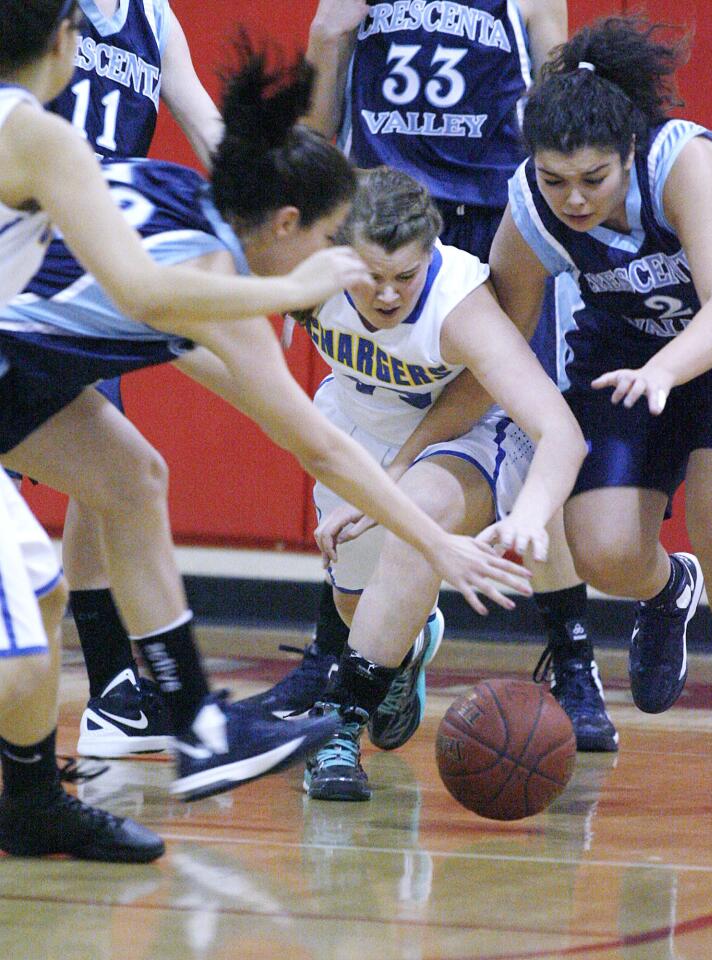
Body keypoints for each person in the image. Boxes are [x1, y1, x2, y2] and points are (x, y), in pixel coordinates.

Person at [0, 9, 530, 819]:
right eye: (327, 241)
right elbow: (321, 448)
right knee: (25, 632)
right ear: (286, 226)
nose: (336, 267)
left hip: (21, 368)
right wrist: (436, 545)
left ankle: (193, 726)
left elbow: (235, 383)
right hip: (15, 357)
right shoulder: (227, 285)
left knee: (133, 477)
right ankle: (164, 739)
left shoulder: (181, 194)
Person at [248, 0, 618, 755]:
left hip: (489, 224)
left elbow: (556, 108)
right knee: (360, 418)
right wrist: (327, 33)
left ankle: (573, 658)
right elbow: (318, 122)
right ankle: (342, 653)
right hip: (379, 219)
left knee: (522, 430)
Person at [487, 15, 712, 813]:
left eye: (592, 180)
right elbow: (498, 336)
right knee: (602, 550)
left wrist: (664, 372)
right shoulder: (527, 212)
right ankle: (668, 589)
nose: (571, 197)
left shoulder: (685, 161)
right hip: (622, 344)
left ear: (628, 153)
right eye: (554, 179)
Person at [276, 166, 584, 800]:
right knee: (359, 607)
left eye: (404, 276)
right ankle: (407, 645)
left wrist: (530, 514)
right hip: (359, 422)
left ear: (430, 255)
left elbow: (563, 432)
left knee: (422, 510)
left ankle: (337, 728)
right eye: (372, 277)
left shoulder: (458, 305)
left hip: (469, 436)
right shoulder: (303, 276)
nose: (388, 296)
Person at [40, 0, 224, 760]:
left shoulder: (155, 16)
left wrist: (268, 197)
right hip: (25, 255)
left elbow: (209, 127)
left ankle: (115, 688)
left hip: (97, 273)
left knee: (114, 475)